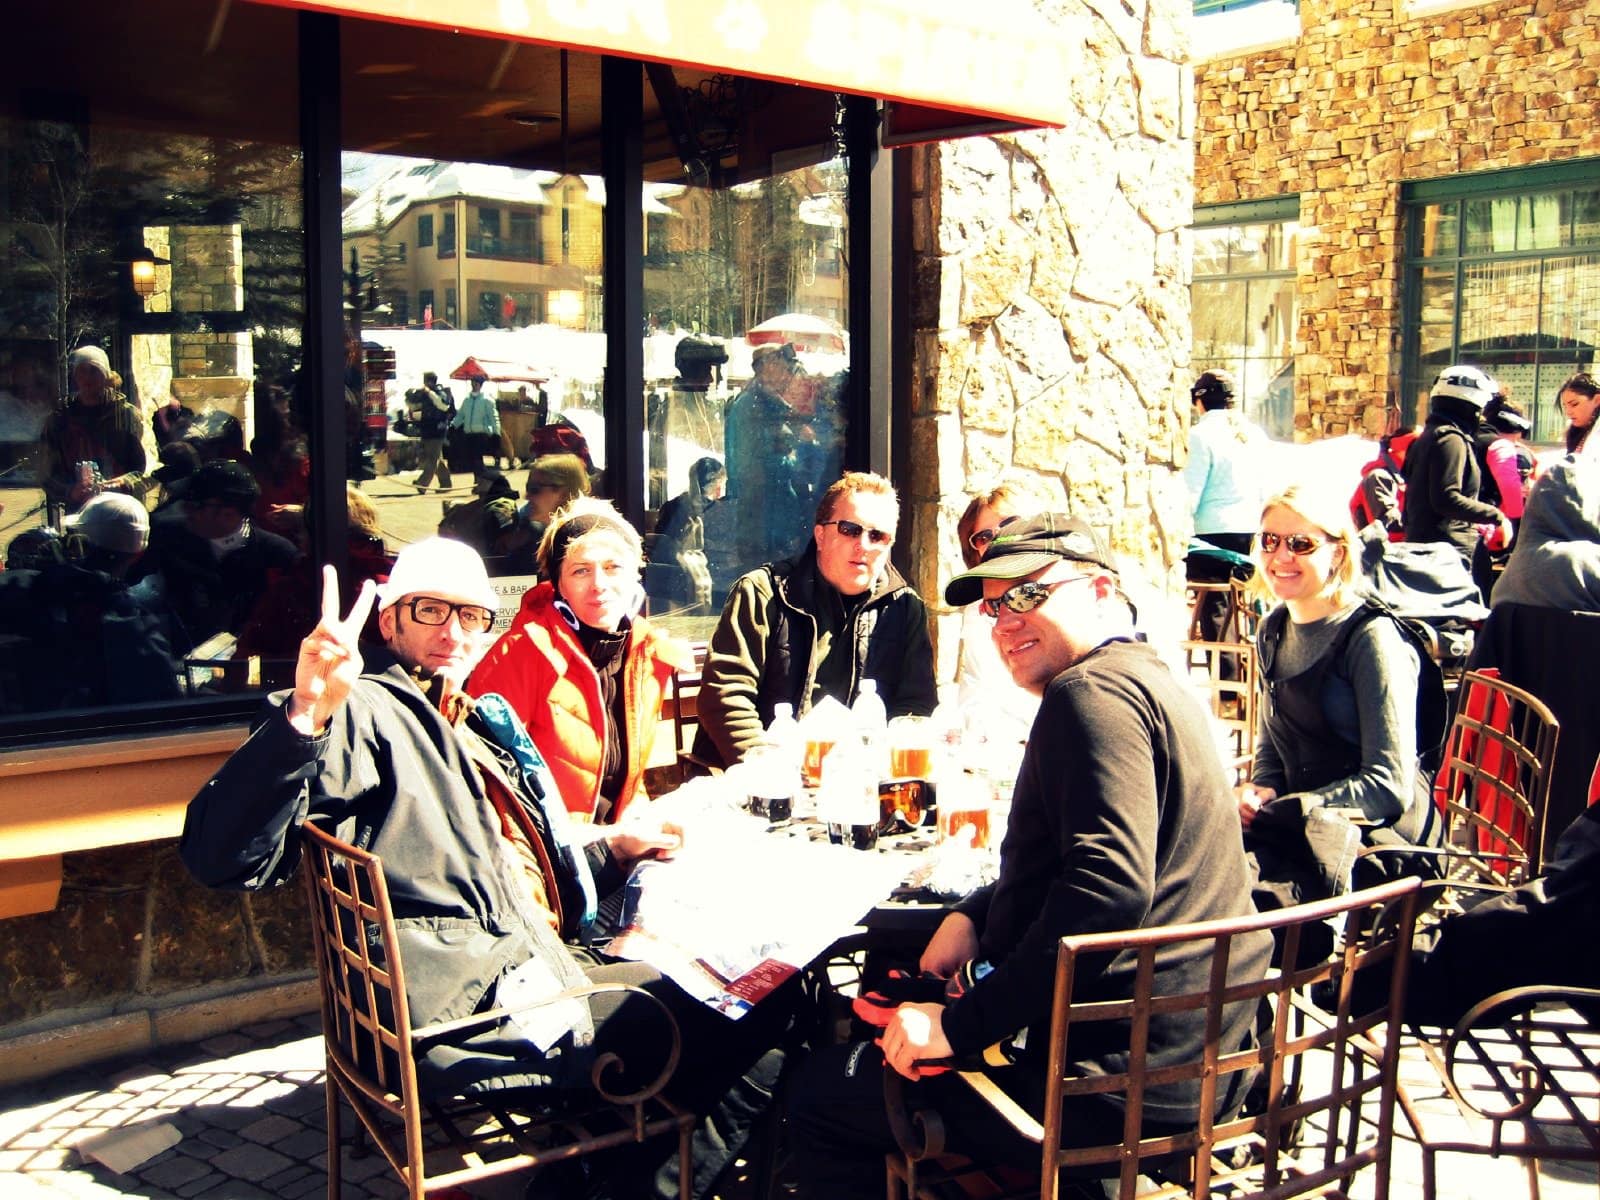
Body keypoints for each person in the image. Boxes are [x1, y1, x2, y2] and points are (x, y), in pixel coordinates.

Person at [179, 539, 793, 1200]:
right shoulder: (364, 711)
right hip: (468, 1020)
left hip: (510, 976)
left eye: (470, 615)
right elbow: (225, 859)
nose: (452, 631)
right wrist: (304, 713)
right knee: (768, 1003)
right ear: (389, 623)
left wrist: (613, 850)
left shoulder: (460, 720)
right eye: (428, 611)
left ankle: (580, 1175)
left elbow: (491, 876)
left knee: (732, 976)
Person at [786, 514, 1272, 1198]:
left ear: (1102, 590)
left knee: (815, 1095)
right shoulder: (1143, 676)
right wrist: (976, 914)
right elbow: (1097, 862)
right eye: (993, 606)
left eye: (1026, 595)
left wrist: (957, 1028)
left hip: (1114, 1087)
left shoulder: (1089, 695)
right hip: (1204, 1061)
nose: (1004, 621)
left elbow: (1107, 892)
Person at [1239, 484, 1446, 912]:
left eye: (1301, 544)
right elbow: (1272, 744)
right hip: (1304, 824)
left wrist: (1295, 808)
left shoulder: (1372, 640)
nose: (1281, 557)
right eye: (1269, 540)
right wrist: (1261, 791)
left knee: (1238, 905)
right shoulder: (1272, 629)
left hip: (1378, 839)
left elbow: (1389, 787)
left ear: (1337, 553)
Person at [693, 471, 938, 769]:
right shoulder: (763, 593)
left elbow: (915, 706)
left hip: (856, 780)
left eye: (877, 535)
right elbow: (725, 696)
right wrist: (770, 772)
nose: (863, 545)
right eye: (849, 529)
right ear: (820, 535)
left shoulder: (904, 607)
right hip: (759, 778)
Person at [469, 498, 693, 823]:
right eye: (581, 571)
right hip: (549, 854)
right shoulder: (519, 654)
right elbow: (491, 794)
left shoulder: (647, 654)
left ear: (636, 574)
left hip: (619, 845)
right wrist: (605, 844)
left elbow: (628, 786)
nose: (599, 584)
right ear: (558, 584)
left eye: (613, 567)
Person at [0, 493, 180, 713]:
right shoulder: (138, 629)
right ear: (138, 554)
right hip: (98, 739)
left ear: (75, 541)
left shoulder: (18, 588)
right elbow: (168, 705)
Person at [131, 460, 300, 654]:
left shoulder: (276, 555)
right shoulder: (167, 535)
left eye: (195, 505)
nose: (185, 510)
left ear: (229, 514)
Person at [952, 484, 1043, 751]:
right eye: (984, 537)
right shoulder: (977, 613)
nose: (998, 540)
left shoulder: (1063, 592)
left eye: (1010, 525)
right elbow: (974, 691)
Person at [1403, 364, 1512, 566]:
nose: (1482, 416)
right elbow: (1446, 499)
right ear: (1469, 406)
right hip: (1447, 554)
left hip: (1426, 549)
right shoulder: (1450, 439)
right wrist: (1497, 516)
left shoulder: (1427, 437)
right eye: (1480, 410)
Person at [40, 345, 148, 512]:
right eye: (82, 370)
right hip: (79, 510)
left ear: (106, 375)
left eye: (94, 370)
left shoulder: (125, 415)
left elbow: (139, 468)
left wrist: (121, 482)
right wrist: (70, 490)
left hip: (120, 507)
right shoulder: (60, 420)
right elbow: (46, 472)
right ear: (75, 376)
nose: (87, 377)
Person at [723, 343, 799, 565]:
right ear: (766, 367)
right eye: (782, 365)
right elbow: (748, 466)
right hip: (760, 511)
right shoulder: (750, 406)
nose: (787, 372)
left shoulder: (771, 402)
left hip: (775, 510)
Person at [1471, 394, 1536, 601]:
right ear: (1513, 428)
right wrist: (1516, 527)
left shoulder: (1465, 437)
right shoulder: (1500, 446)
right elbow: (1510, 487)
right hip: (1477, 531)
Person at [645, 456, 724, 616]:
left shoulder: (673, 505)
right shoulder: (717, 511)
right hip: (693, 577)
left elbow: (660, 541)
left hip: (670, 578)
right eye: (721, 483)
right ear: (717, 482)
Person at [438, 469, 521, 566]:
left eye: (481, 483)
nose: (478, 487)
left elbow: (504, 533)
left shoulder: (503, 504)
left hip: (491, 560)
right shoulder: (485, 504)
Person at [410, 370, 455, 491]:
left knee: (432, 459)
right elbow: (415, 407)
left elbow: (444, 406)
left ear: (429, 381)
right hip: (427, 430)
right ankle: (446, 483)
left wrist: (429, 392)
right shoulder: (425, 395)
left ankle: (422, 484)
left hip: (437, 431)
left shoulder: (440, 392)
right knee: (435, 458)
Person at [450, 374, 501, 481]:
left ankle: (483, 480)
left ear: (480, 385)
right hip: (469, 434)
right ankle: (479, 480)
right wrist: (453, 426)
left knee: (477, 459)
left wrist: (496, 433)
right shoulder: (467, 400)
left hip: (481, 434)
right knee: (471, 460)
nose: (474, 385)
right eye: (472, 383)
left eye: (476, 383)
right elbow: (461, 415)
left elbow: (493, 417)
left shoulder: (487, 400)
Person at [1558, 370, 1600, 456]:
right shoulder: (1573, 430)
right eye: (1565, 406)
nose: (1568, 412)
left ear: (1597, 400)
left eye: (1574, 404)